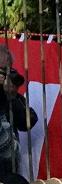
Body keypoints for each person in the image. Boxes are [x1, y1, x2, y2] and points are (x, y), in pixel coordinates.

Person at [0, 45, 38, 177]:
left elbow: (28, 122)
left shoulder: (10, 95)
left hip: (7, 169)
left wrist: (11, 96)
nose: (7, 75)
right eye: (3, 70)